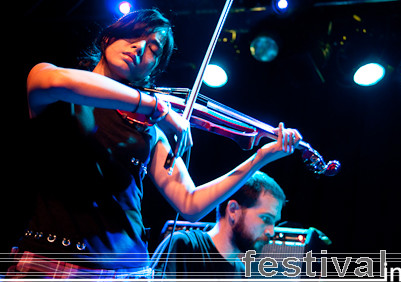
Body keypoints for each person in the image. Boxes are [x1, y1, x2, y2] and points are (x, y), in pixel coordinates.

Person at [7, 9, 302, 279]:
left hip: (131, 270)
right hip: (53, 264)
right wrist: (155, 106)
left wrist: (261, 157)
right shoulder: (54, 84)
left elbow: (190, 203)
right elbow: (58, 81)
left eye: (153, 48)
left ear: (152, 70)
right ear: (108, 38)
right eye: (133, 35)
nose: (139, 47)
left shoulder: (148, 130)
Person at [152, 171, 286, 279]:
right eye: (266, 218)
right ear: (233, 210)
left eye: (275, 222)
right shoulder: (184, 246)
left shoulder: (243, 274)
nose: (271, 231)